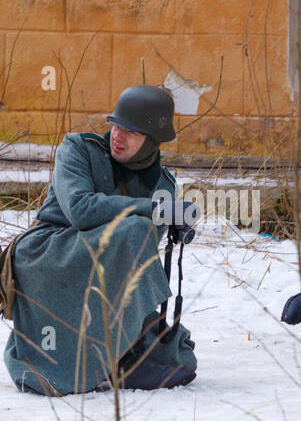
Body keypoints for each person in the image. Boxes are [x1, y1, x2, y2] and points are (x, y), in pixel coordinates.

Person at [1, 85, 196, 395]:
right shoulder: (78, 149)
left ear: (152, 141)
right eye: (116, 125)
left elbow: (142, 250)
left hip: (103, 267)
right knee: (135, 230)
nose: (118, 135)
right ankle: (112, 360)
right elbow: (80, 209)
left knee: (178, 357)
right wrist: (153, 208)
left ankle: (125, 353)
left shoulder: (163, 184)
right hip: (49, 251)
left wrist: (176, 223)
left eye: (131, 132)